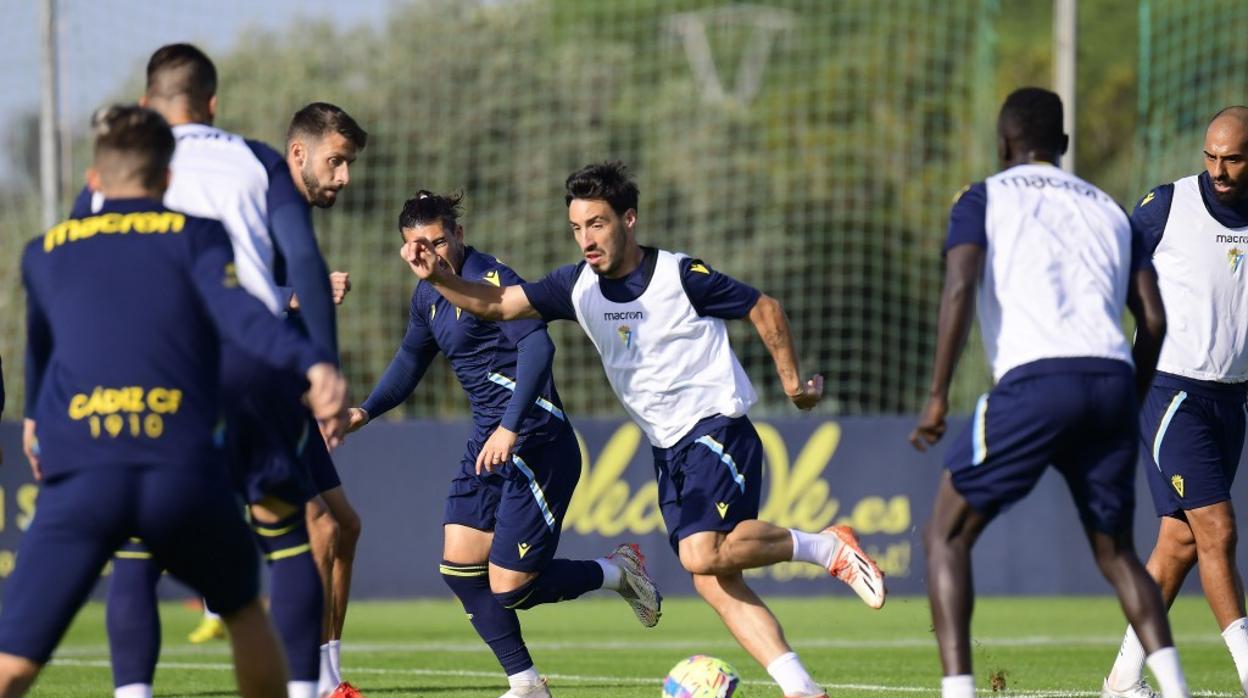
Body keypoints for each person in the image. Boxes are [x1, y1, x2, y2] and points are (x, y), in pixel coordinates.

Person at [401, 162, 885, 698]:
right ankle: (802, 688)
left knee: (701, 554)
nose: (586, 238)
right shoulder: (574, 284)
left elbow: (763, 308)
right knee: (712, 578)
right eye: (577, 228)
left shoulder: (679, 276)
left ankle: (827, 548)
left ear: (628, 220)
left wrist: (794, 386)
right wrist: (440, 279)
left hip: (716, 426)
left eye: (598, 224)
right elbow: (496, 304)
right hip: (667, 447)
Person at [4, 104, 349, 698]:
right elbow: (242, 317)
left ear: (93, 181)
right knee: (246, 613)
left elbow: (42, 349)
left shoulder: (46, 251)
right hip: (177, 466)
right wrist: (313, 361)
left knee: (12, 664)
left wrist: (37, 422)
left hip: (86, 468)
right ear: (166, 181)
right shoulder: (194, 235)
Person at [86, 44, 363, 698]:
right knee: (289, 534)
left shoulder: (117, 168)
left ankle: (133, 693)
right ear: (212, 102)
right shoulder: (257, 160)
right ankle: (305, 689)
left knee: (136, 549)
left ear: (148, 102)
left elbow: (75, 274)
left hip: (148, 370)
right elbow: (303, 264)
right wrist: (323, 365)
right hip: (248, 364)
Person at [907, 87, 1186, 698]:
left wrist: (936, 397)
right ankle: (1176, 688)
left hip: (1035, 380)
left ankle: (958, 692)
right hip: (1111, 378)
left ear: (1004, 143)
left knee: (946, 536)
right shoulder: (1111, 209)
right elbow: (1156, 320)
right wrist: (1129, 400)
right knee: (1118, 555)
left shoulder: (984, 197)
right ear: (1061, 145)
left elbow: (959, 288)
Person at [346, 191, 661, 698]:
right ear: (406, 250)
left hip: (536, 438)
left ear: (460, 236)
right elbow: (409, 363)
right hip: (488, 439)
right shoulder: (427, 296)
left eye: (439, 241)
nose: (430, 253)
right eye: (417, 246)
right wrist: (365, 410)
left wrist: (510, 427)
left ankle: (617, 572)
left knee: (510, 587)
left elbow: (539, 347)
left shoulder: (492, 280)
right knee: (458, 567)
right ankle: (526, 682)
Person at [1100, 106, 1248, 698]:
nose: (1218, 169)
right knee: (1217, 529)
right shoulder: (1165, 206)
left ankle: (1121, 677)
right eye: (1210, 156)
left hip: (1231, 399)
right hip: (1170, 392)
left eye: (1233, 159)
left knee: (1181, 543)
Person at [285, 103, 368, 696]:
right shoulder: (259, 204)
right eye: (335, 161)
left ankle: (328, 674)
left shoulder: (294, 214)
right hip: (250, 400)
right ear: (299, 154)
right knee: (319, 529)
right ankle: (311, 681)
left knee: (345, 526)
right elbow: (222, 284)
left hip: (291, 401)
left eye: (348, 164)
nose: (343, 176)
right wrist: (298, 294)